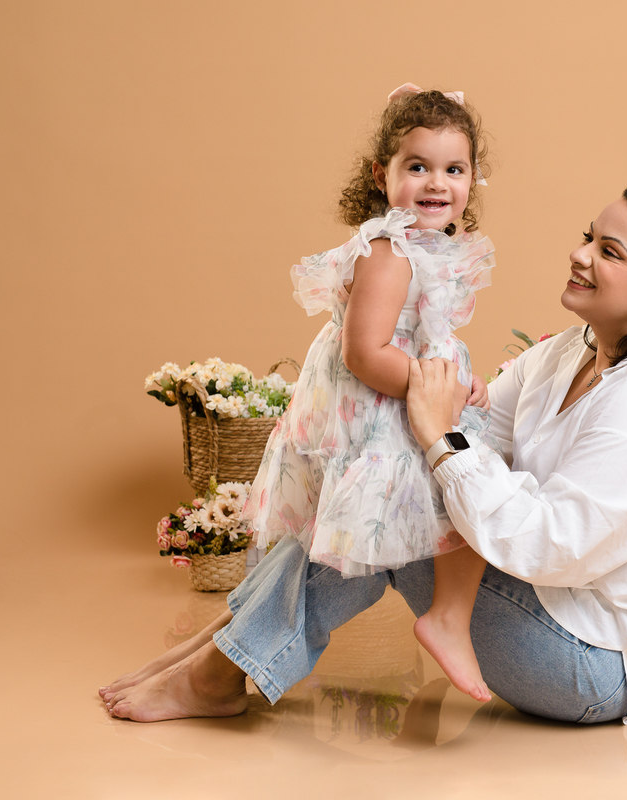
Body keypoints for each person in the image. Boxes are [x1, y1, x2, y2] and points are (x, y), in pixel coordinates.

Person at [101, 181, 627, 726]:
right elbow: (476, 420)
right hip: (552, 611)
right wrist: (412, 415)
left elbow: (550, 546)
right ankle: (224, 653)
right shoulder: (570, 352)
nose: (578, 255)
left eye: (608, 251)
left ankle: (219, 669)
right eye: (587, 236)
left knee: (386, 496)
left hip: (595, 663)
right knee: (381, 468)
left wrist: (438, 439)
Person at [238, 86, 499, 701]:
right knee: (471, 487)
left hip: (399, 393)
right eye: (418, 167)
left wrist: (457, 375)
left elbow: (424, 333)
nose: (437, 183)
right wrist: (442, 389)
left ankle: (446, 618)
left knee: (469, 489)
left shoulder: (422, 247)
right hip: (381, 408)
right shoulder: (388, 251)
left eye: (453, 170)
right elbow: (365, 353)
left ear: (472, 181)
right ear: (382, 176)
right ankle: (448, 619)